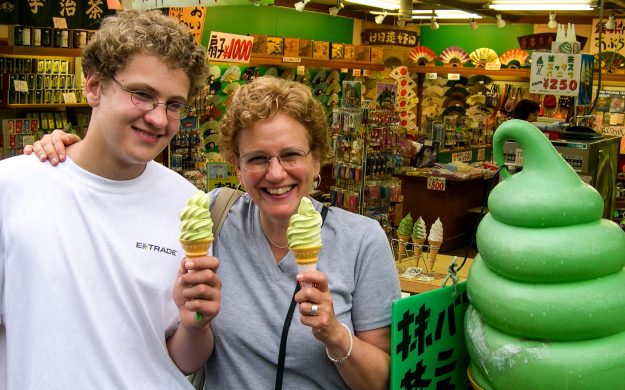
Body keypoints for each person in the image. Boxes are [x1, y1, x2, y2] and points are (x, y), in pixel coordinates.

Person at [28, 77, 401, 389]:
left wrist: (335, 335)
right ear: (237, 165)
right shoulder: (213, 216)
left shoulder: (362, 240)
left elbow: (382, 379)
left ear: (316, 159)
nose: (275, 174)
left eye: (291, 155)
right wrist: (68, 156)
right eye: (257, 158)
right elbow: (123, 201)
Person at [3, 9, 220, 389]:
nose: (159, 118)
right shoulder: (13, 187)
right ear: (94, 87)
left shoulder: (188, 204)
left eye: (173, 104)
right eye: (142, 95)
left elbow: (183, 359)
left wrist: (195, 323)